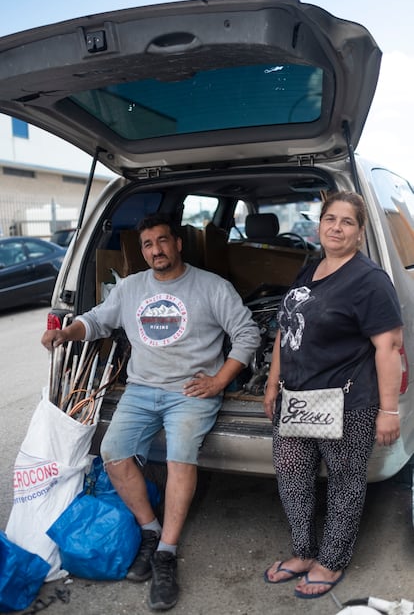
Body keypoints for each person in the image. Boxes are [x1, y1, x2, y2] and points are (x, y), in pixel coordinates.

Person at [42, 214, 260, 611]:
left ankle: (166, 554)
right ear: (142, 251)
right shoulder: (130, 288)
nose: (156, 250)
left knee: (180, 457)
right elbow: (95, 322)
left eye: (162, 241)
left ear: (178, 244)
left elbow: (247, 333)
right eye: (147, 244)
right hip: (142, 389)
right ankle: (150, 530)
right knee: (113, 453)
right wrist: (65, 332)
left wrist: (219, 380)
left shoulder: (211, 286)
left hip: (191, 391)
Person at [263, 191, 403, 599]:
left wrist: (389, 411)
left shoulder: (369, 280)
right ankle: (305, 553)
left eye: (346, 222)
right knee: (291, 476)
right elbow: (285, 330)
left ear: (360, 232)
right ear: (319, 224)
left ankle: (332, 560)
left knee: (345, 482)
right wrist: (273, 382)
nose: (336, 227)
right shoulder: (309, 270)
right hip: (296, 398)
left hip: (347, 402)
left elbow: (388, 346)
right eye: (330, 219)